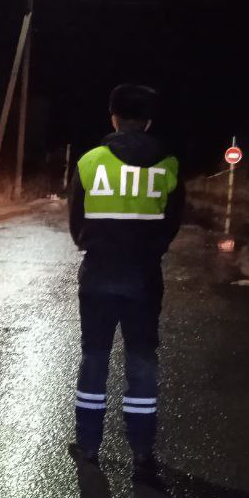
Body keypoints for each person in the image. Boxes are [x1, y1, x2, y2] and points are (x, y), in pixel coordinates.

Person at [68, 84, 184, 477]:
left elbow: (76, 224)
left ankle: (87, 445)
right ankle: (141, 451)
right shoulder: (168, 164)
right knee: (141, 360)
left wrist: (99, 245)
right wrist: (148, 250)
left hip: (98, 275)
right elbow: (172, 222)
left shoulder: (89, 162)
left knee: (94, 357)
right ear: (148, 120)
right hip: (143, 278)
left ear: (113, 118)